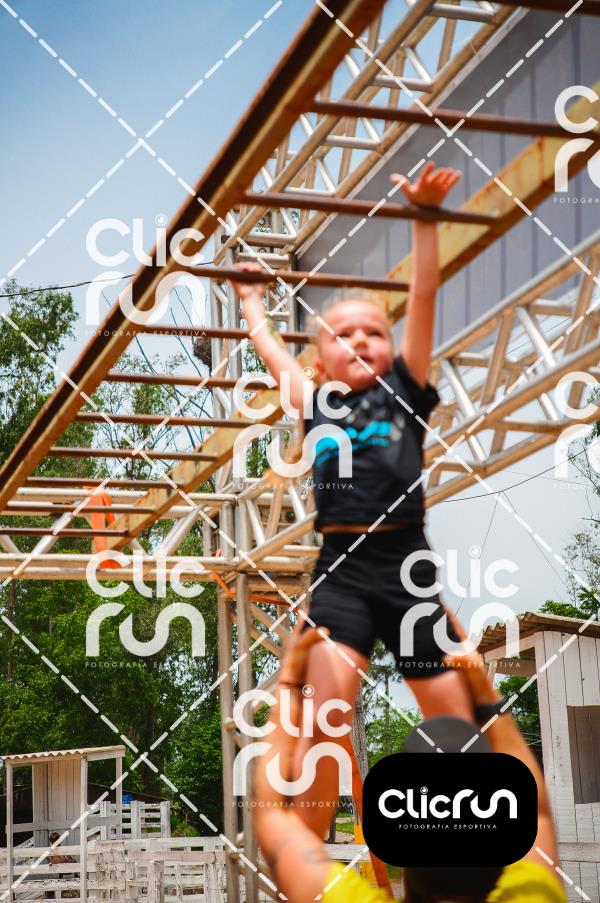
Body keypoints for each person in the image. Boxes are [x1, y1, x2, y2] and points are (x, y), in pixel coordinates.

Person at [231, 162, 473, 836]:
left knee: (453, 715)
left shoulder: (405, 390)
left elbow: (423, 296)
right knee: (325, 718)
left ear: (392, 349)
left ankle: (463, 847)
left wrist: (424, 220)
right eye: (344, 335)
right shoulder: (316, 401)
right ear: (321, 359)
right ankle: (310, 853)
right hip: (340, 569)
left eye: (374, 331)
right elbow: (272, 353)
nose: (361, 340)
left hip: (406, 562)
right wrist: (251, 304)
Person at [252, 622, 568, 903]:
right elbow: (538, 814)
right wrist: (485, 693)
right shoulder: (534, 893)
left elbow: (274, 817)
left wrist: (292, 682)